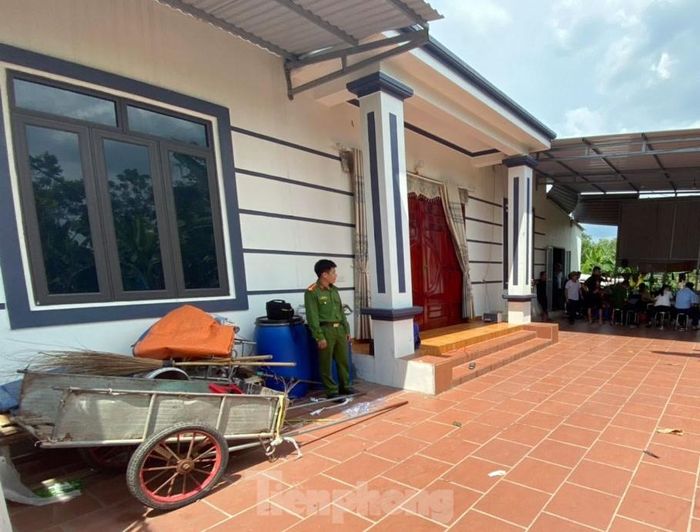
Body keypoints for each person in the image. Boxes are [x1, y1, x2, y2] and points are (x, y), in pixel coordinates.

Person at [304, 259, 354, 398]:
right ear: (324, 274)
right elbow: (312, 317)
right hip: (325, 330)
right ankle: (332, 391)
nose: (335, 275)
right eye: (333, 272)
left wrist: (347, 330)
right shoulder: (312, 292)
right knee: (326, 363)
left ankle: (345, 386)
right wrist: (319, 336)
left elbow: (341, 312)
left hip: (340, 330)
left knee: (343, 360)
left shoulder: (334, 290)